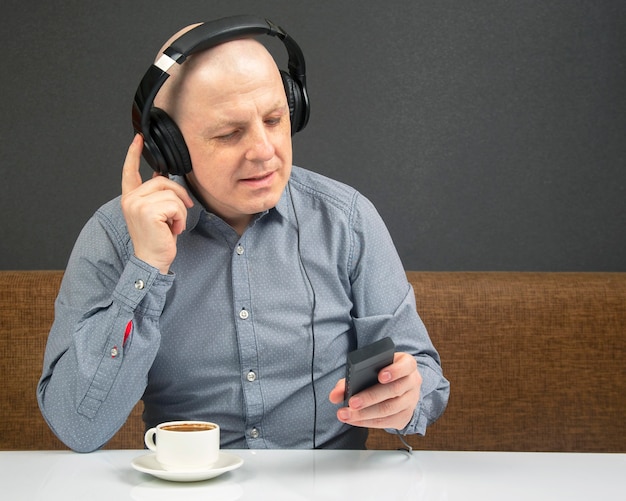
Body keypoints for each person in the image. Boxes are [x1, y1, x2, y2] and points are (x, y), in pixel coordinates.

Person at [37, 16, 449, 452]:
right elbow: (76, 427)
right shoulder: (114, 237)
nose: (264, 152)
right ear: (168, 144)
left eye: (274, 120)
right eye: (230, 133)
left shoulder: (346, 221)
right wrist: (146, 269)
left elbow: (422, 375)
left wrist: (404, 396)